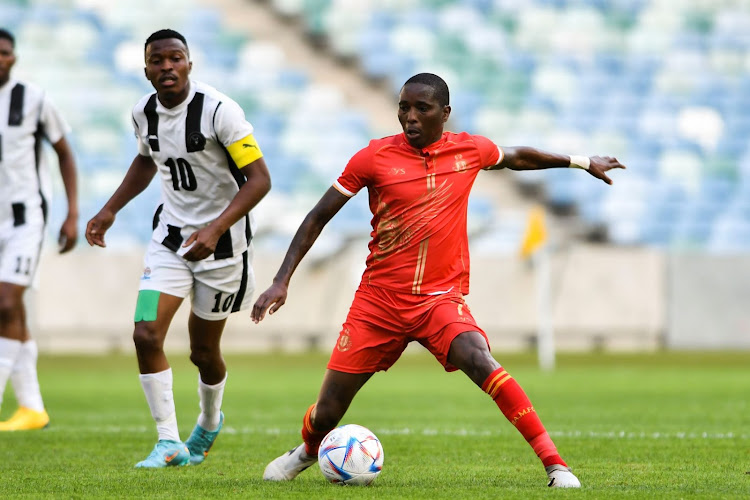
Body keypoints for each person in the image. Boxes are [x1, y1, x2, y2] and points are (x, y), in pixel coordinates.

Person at [252, 72, 625, 488]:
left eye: (421, 109)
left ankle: (556, 467)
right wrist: (281, 280)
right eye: (403, 108)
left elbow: (519, 156)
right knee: (327, 412)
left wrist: (580, 161)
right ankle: (306, 451)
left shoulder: (470, 149)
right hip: (379, 302)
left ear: (444, 113)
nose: (409, 117)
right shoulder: (372, 158)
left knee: (482, 359)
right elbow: (317, 217)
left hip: (438, 300)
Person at [85, 29, 271, 468]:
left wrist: (214, 228)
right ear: (146, 68)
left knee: (203, 352)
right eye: (157, 60)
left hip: (223, 247)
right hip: (168, 240)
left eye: (175, 58)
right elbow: (148, 159)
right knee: (145, 332)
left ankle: (208, 422)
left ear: (189, 64)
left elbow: (260, 180)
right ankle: (168, 442)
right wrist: (110, 209)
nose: (166, 67)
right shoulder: (142, 112)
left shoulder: (220, 111)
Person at [0, 28, 78, 431]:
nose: (0, 58)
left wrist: (71, 213)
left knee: (5, 302)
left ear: (14, 57)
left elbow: (65, 152)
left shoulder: (32, 99)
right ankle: (32, 408)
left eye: (5, 53)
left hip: (25, 217)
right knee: (11, 311)